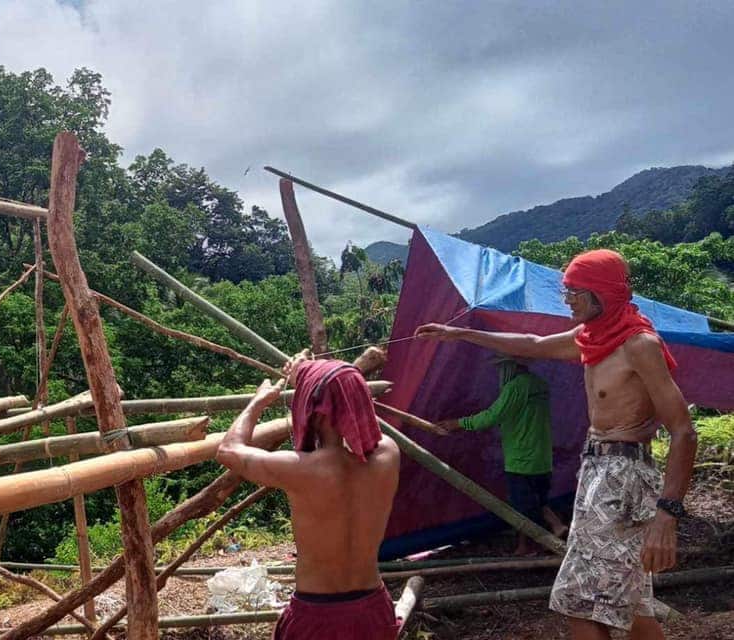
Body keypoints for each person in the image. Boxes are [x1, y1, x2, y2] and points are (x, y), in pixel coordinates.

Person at [417, 249, 696, 639]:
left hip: (621, 476)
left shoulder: (638, 345)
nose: (566, 302)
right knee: (631, 602)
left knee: (577, 601)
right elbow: (531, 342)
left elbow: (684, 430)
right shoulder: (593, 337)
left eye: (574, 293)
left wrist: (667, 515)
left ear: (601, 294)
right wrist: (461, 333)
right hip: (599, 470)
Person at [216, 357, 402, 640]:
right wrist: (307, 377)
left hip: (316, 616)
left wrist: (259, 401)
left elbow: (228, 450)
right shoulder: (389, 455)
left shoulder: (299, 469)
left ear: (311, 409)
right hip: (373, 610)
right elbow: (357, 419)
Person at [434, 358, 568, 555]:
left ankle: (541, 536)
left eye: (501, 367)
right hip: (542, 456)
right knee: (534, 501)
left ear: (510, 365)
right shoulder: (539, 384)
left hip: (521, 458)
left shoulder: (515, 387)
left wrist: (458, 423)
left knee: (524, 508)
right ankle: (538, 537)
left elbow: (492, 416)